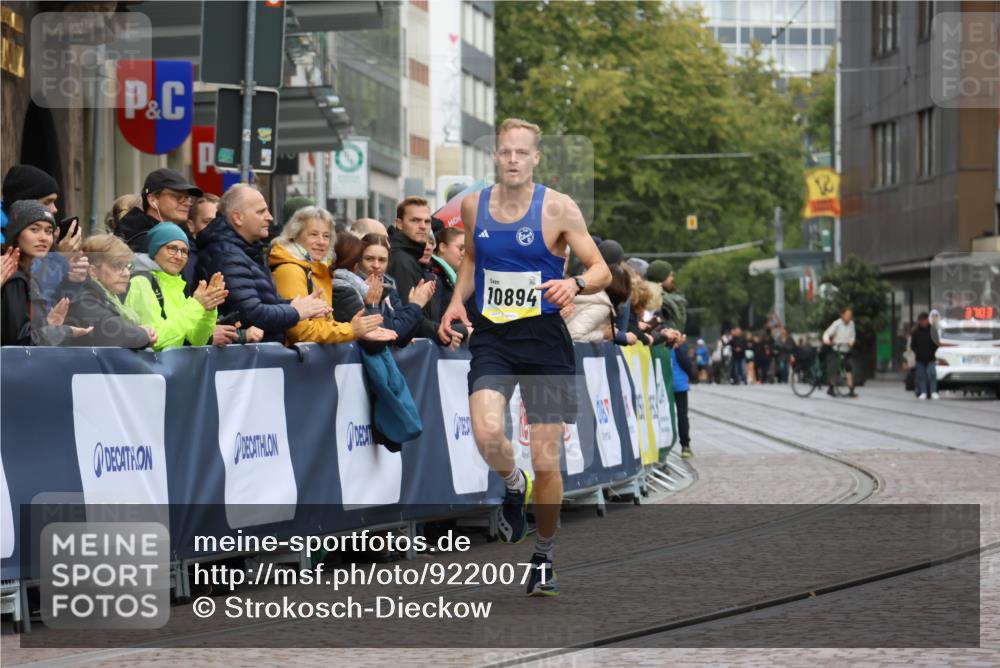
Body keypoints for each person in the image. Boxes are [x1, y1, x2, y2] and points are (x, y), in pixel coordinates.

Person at [438, 118, 612, 596]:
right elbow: (472, 259)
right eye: (505, 152)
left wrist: (573, 282)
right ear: (495, 157)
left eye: (522, 152)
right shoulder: (475, 206)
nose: (513, 159)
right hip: (494, 335)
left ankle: (544, 555)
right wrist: (457, 301)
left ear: (536, 158)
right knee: (487, 430)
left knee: (547, 459)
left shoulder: (558, 207)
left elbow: (600, 270)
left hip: (544, 341)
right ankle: (513, 485)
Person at [196, 184, 331, 343]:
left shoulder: (246, 250)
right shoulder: (227, 254)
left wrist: (296, 305)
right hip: (241, 362)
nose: (270, 217)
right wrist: (295, 311)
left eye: (327, 236)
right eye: (261, 211)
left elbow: (263, 302)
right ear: (238, 217)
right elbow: (251, 313)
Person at [269, 207, 388, 345]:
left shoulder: (318, 269)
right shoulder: (290, 270)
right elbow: (300, 331)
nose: (321, 242)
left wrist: (355, 332)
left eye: (326, 236)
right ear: (294, 236)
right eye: (313, 234)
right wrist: (351, 330)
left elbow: (324, 323)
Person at [123, 223, 225, 350]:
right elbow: (155, 339)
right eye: (172, 248)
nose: (178, 256)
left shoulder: (177, 284)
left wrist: (208, 311)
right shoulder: (141, 282)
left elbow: (197, 340)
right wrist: (196, 305)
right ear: (155, 250)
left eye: (184, 251)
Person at [1, 201, 90, 346]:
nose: (43, 237)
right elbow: (19, 344)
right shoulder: (13, 277)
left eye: (48, 231)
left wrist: (48, 323)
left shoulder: (28, 276)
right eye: (34, 229)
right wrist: (64, 332)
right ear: (16, 235)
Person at [64, 235, 156, 349]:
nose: (126, 273)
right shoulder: (82, 298)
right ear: (93, 271)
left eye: (127, 266)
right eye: (117, 266)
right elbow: (112, 330)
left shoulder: (109, 297)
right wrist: (143, 334)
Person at [388, 197, 445, 341]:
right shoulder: (401, 259)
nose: (422, 226)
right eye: (415, 220)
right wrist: (444, 331)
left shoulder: (412, 256)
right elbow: (408, 314)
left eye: (427, 221)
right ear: (399, 224)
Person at [116, 168, 203, 254]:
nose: (187, 203)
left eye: (188, 198)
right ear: (153, 200)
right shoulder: (144, 242)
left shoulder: (184, 234)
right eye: (178, 197)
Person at [822, 306, 857, 398]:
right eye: (847, 315)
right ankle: (831, 388)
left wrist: (851, 342)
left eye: (850, 315)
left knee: (848, 367)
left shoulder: (852, 324)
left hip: (846, 349)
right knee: (836, 370)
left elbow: (852, 336)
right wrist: (827, 341)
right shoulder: (836, 324)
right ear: (842, 315)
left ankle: (851, 389)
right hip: (836, 350)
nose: (849, 317)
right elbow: (826, 334)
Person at [429, 227, 464, 312]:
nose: (465, 254)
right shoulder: (434, 278)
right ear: (442, 247)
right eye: (461, 248)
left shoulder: (450, 278)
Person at [671, 335, 695, 459]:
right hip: (680, 385)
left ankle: (666, 447)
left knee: (666, 415)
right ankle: (685, 446)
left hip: (664, 384)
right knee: (682, 416)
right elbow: (687, 363)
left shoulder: (660, 346)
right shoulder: (679, 348)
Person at [910, 312, 940, 399]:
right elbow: (913, 345)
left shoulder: (932, 330)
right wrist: (918, 352)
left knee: (932, 374)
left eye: (925, 320)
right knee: (921, 376)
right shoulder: (915, 331)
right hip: (919, 358)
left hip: (930, 357)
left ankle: (933, 391)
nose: (923, 322)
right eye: (922, 321)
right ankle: (923, 392)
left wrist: (932, 352)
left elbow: (936, 343)